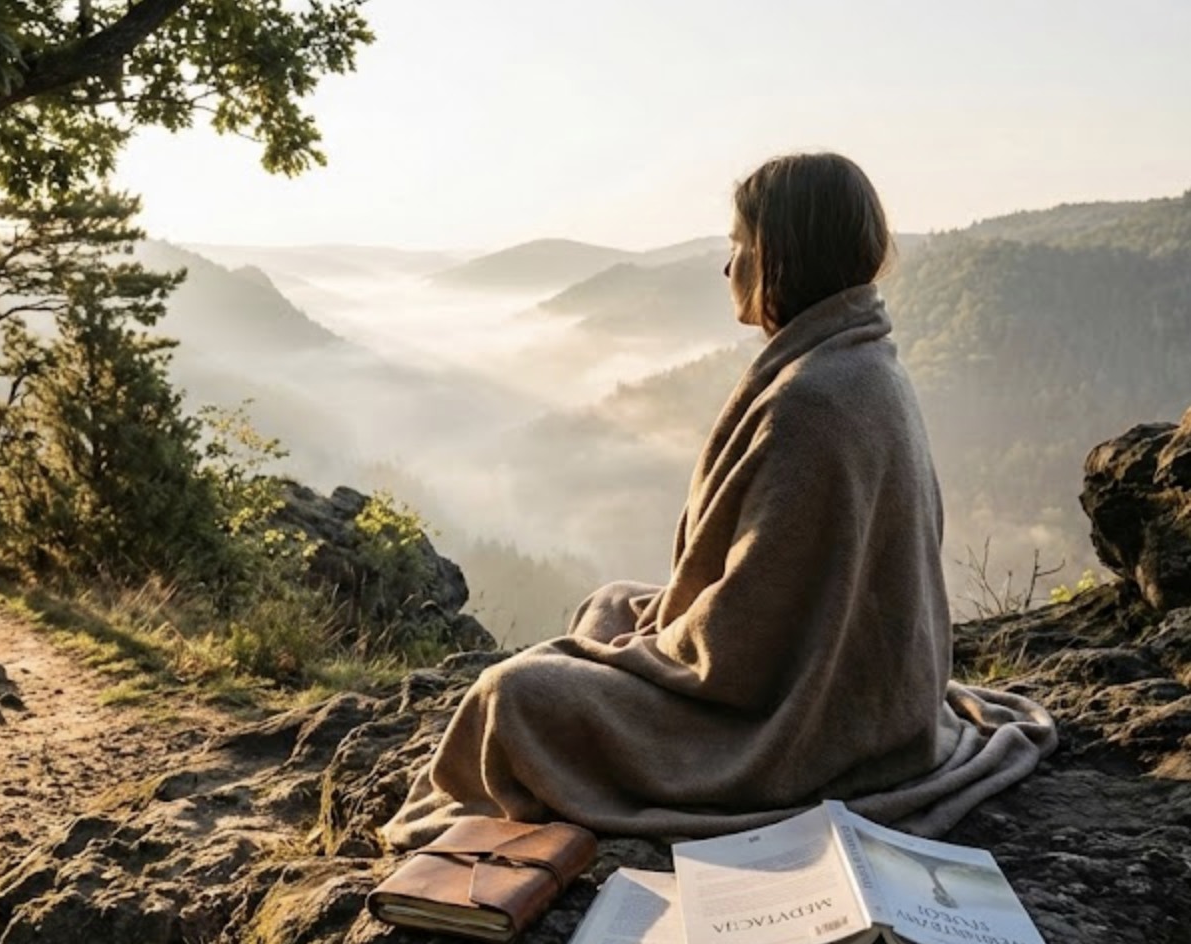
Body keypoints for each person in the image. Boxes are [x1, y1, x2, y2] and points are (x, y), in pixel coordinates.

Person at [381, 152, 1057, 848]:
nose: (726, 265)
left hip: (808, 727)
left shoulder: (813, 402)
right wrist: (645, 640)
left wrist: (644, 652)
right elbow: (774, 596)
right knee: (612, 602)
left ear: (779, 255)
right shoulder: (860, 363)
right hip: (856, 681)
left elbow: (746, 645)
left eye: (738, 245)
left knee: (511, 697)